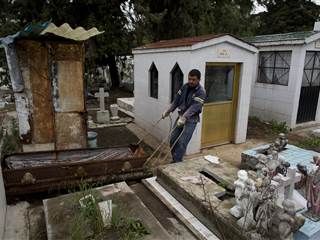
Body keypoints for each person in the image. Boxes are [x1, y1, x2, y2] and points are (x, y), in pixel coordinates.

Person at [162, 69, 206, 163]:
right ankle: (176, 159)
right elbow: (177, 100)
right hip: (181, 117)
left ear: (199, 80)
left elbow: (195, 107)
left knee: (182, 142)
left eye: (193, 79)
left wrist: (184, 117)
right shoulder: (184, 87)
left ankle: (176, 162)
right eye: (189, 79)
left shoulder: (201, 92)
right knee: (173, 139)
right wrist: (169, 110)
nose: (190, 81)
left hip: (191, 120)